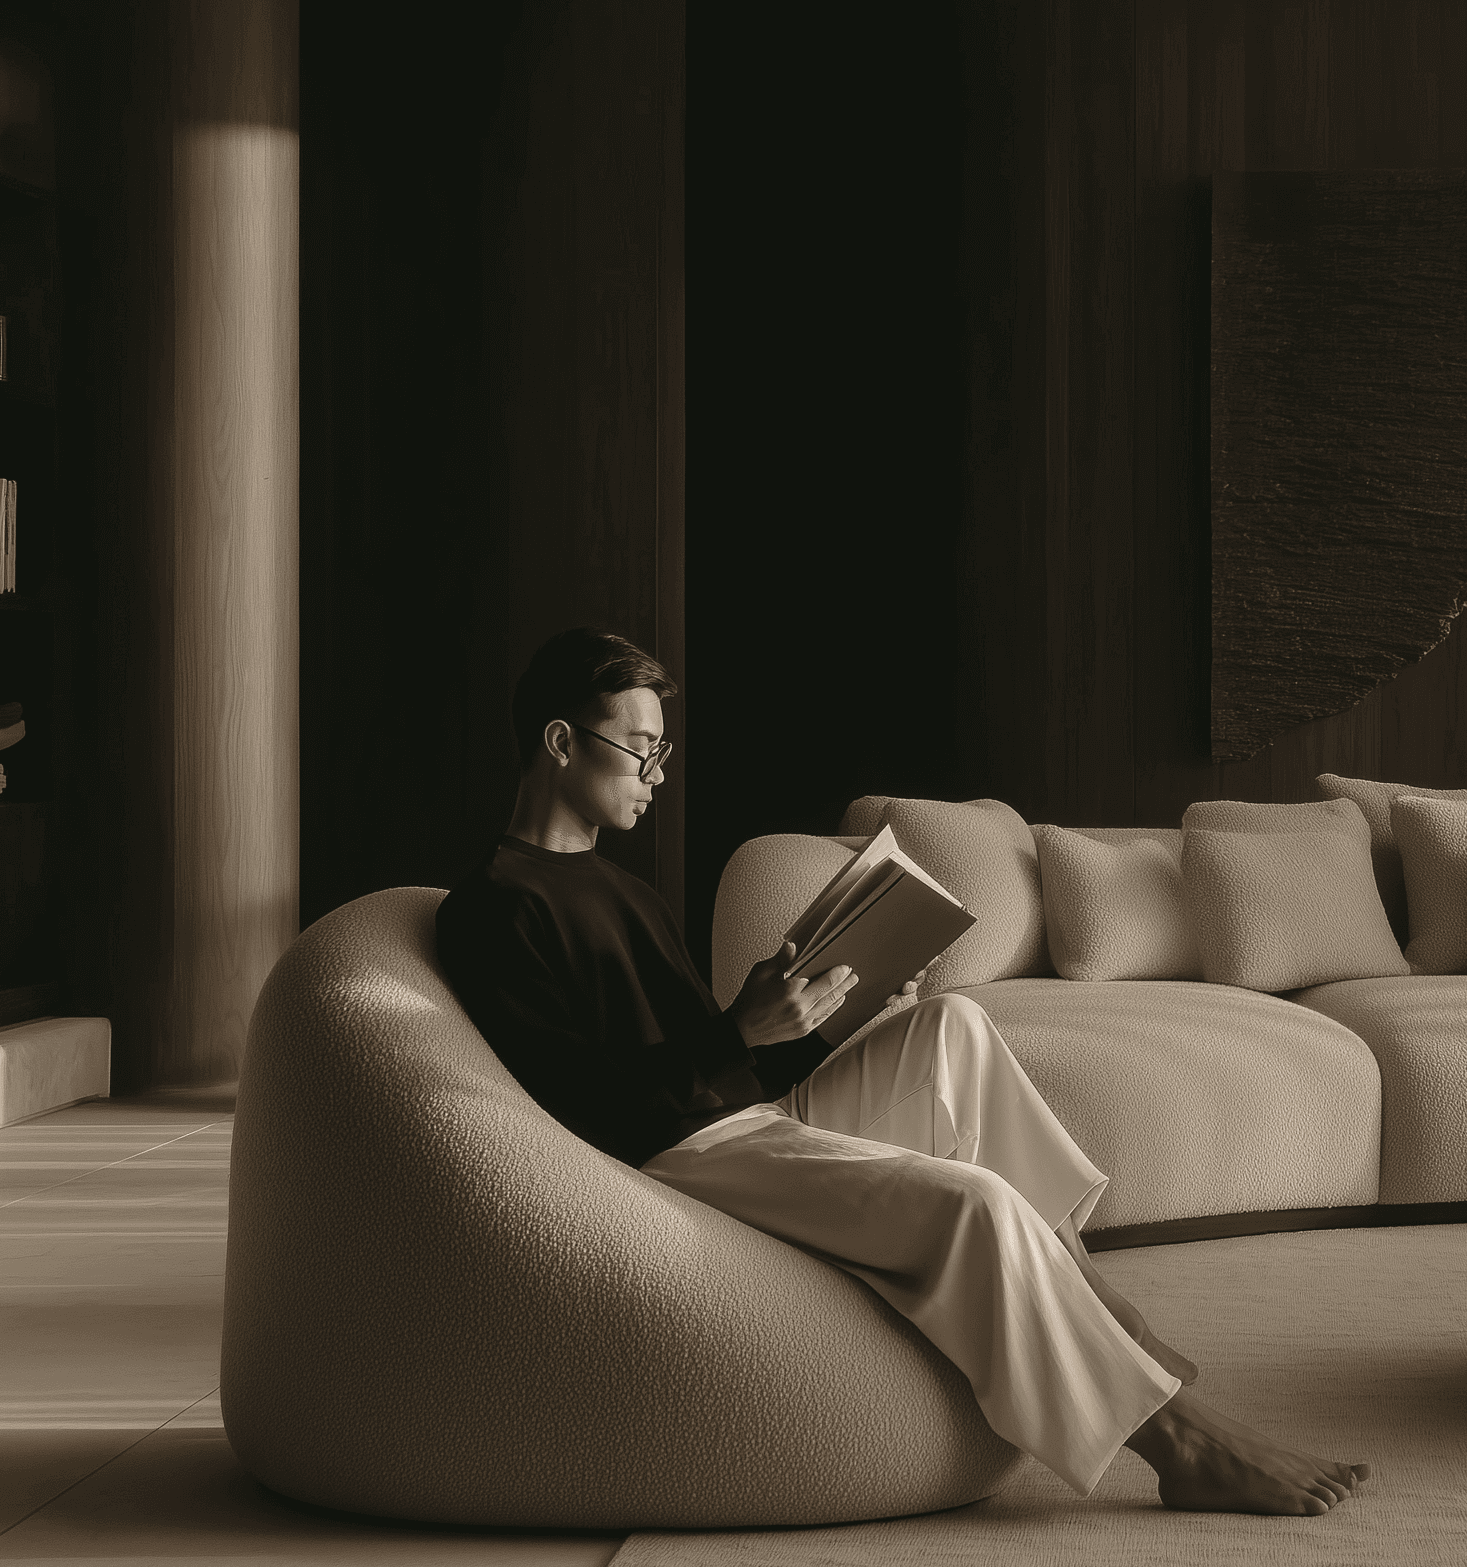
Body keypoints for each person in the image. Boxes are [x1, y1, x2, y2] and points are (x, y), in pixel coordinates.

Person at [433, 626, 1369, 1515]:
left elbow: (725, 1066)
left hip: (732, 1116)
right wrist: (739, 1035)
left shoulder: (624, 890)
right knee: (975, 1204)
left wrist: (829, 1014)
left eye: (661, 753)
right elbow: (579, 1109)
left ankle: (1091, 1297)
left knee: (948, 1026)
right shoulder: (495, 908)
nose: (656, 775)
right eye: (640, 749)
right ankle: (1182, 1448)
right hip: (668, 1158)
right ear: (562, 741)